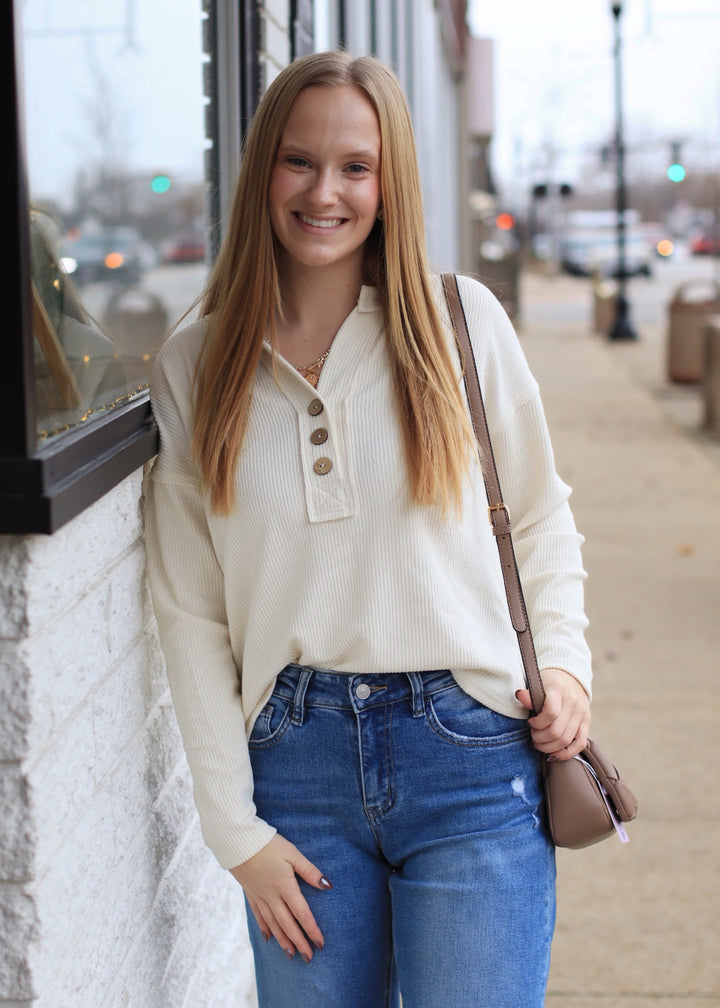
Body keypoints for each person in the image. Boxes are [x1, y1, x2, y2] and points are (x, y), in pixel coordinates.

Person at [144, 49, 592, 1008]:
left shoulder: (457, 323)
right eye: (299, 160)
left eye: (356, 165)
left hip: (471, 758)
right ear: (263, 166)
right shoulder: (195, 362)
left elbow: (543, 516)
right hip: (295, 777)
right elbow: (189, 615)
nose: (325, 192)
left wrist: (563, 665)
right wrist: (236, 836)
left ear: (391, 183)